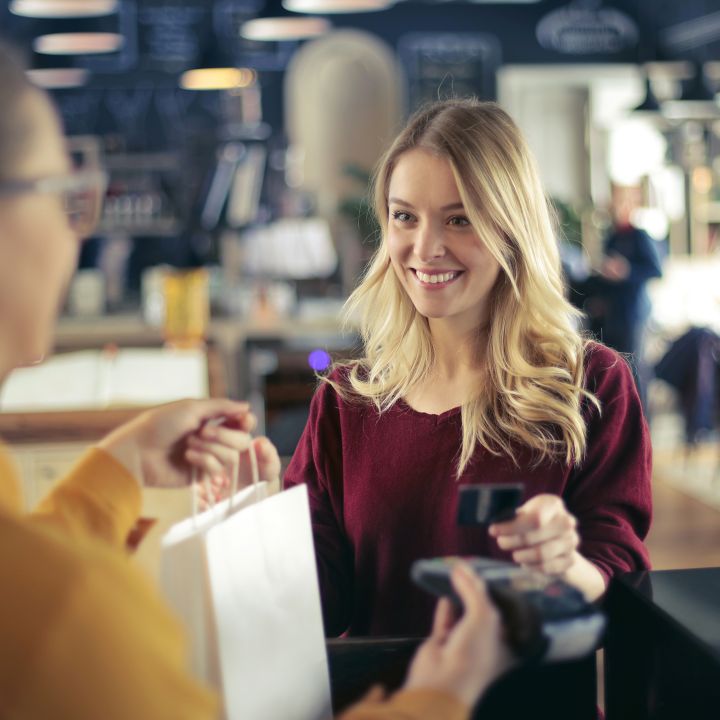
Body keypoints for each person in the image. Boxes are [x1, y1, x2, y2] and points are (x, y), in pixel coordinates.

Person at [0, 43, 510, 719]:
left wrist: (117, 469)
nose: (75, 234)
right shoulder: (70, 607)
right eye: (67, 194)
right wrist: (439, 699)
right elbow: (42, 600)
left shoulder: (595, 387)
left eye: (460, 217)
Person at [284, 99, 653, 638]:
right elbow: (322, 605)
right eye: (404, 216)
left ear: (511, 228)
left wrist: (564, 565)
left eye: (460, 219)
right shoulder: (346, 401)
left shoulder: (592, 386)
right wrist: (246, 531)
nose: (426, 247)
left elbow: (619, 579)